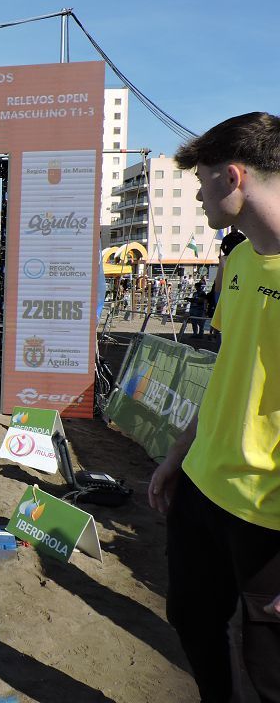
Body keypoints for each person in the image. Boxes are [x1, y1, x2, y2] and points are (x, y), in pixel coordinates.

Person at [148, 112, 280, 702]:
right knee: (191, 620)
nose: (199, 197)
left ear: (233, 178)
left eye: (201, 182)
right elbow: (229, 370)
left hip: (266, 514)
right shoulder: (241, 260)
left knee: (269, 670)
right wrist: (179, 454)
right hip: (202, 486)